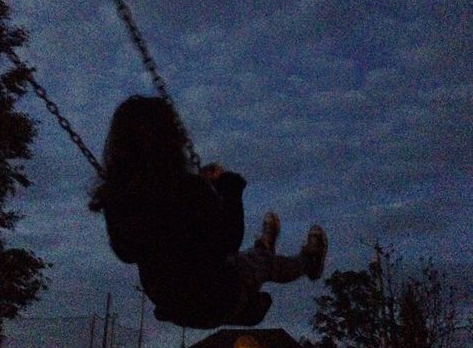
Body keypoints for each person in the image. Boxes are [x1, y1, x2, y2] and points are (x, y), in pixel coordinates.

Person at [90, 95, 328, 329]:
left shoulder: (118, 198)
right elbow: (229, 239)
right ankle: (309, 261)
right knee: (262, 263)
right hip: (218, 300)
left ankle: (263, 247)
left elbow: (126, 252)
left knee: (225, 261)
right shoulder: (187, 188)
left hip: (174, 307)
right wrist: (227, 186)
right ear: (171, 140)